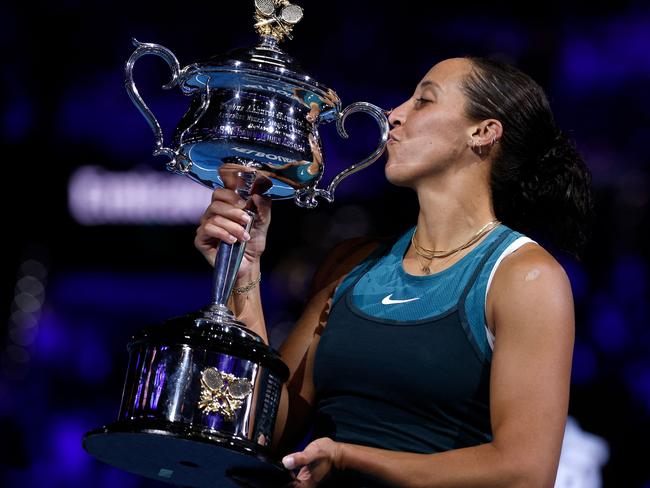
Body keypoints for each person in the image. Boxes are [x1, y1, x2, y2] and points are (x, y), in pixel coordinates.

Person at [194, 56, 594, 487]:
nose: (394, 115)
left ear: (482, 133)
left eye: (423, 101)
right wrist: (244, 274)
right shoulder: (349, 265)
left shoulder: (524, 277)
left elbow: (525, 473)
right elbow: (264, 434)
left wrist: (351, 458)